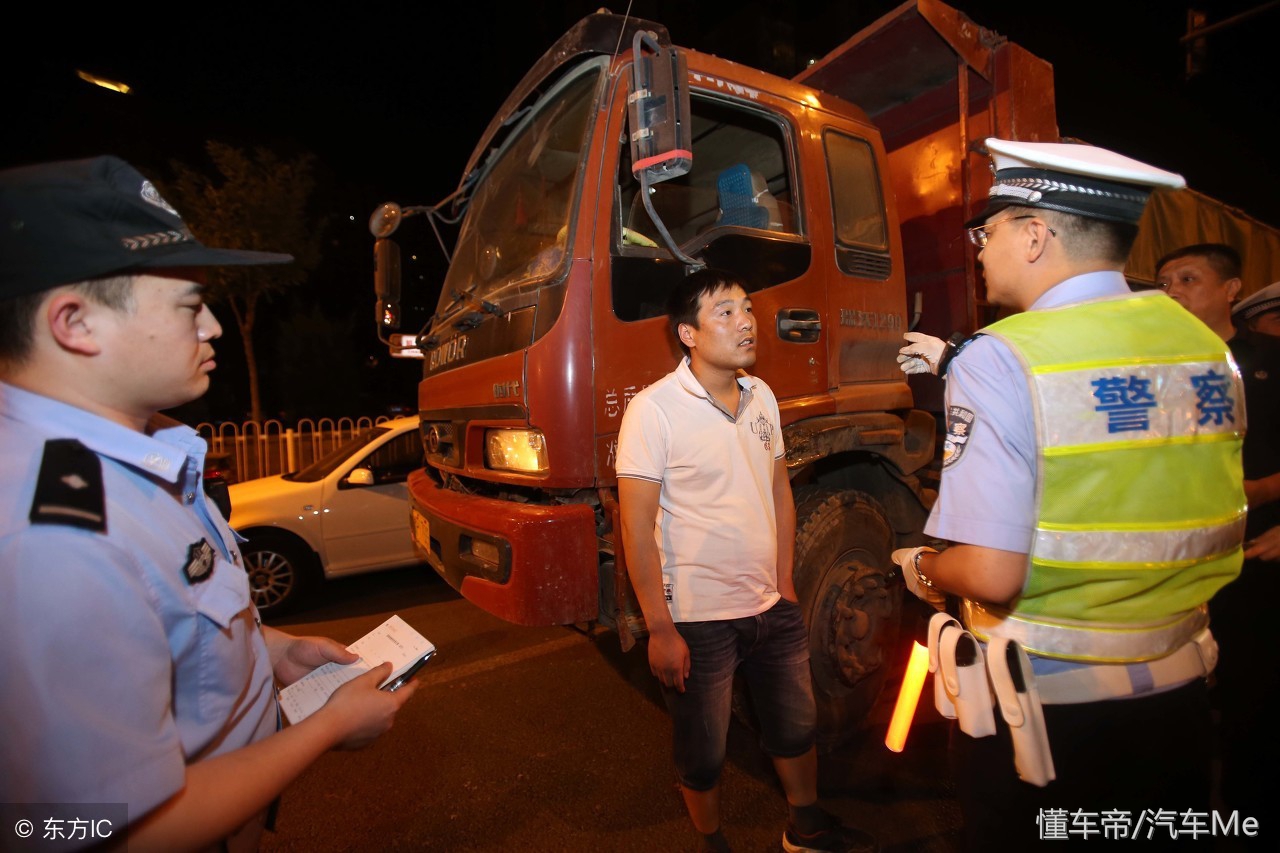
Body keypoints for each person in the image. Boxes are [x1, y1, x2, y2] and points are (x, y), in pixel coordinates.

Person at [0, 155, 417, 851]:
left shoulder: (144, 450)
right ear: (75, 323)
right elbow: (106, 829)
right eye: (191, 308)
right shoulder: (53, 540)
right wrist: (327, 726)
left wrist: (275, 650)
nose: (216, 328)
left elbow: (172, 622)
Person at [890, 139, 1246, 850]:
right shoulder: (1204, 346)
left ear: (1034, 234)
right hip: (1179, 702)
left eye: (985, 232)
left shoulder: (1003, 354)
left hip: (1049, 723)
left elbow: (994, 570)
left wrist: (920, 569)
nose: (979, 250)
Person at [615, 268, 875, 853]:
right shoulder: (653, 411)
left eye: (748, 308)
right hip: (699, 618)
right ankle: (713, 843)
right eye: (726, 313)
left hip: (770, 604)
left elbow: (779, 490)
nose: (746, 322)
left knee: (795, 728)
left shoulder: (762, 396)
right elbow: (634, 528)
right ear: (688, 333)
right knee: (703, 751)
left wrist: (784, 582)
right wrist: (660, 627)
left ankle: (806, 826)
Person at [1156, 244, 1280, 821]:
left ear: (1232, 289)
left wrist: (1259, 496)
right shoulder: (1151, 368)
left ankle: (1246, 809)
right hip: (1173, 562)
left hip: (1256, 554)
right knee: (1175, 688)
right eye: (1165, 281)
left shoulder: (1269, 361)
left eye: (1188, 278)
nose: (1173, 290)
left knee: (1251, 694)